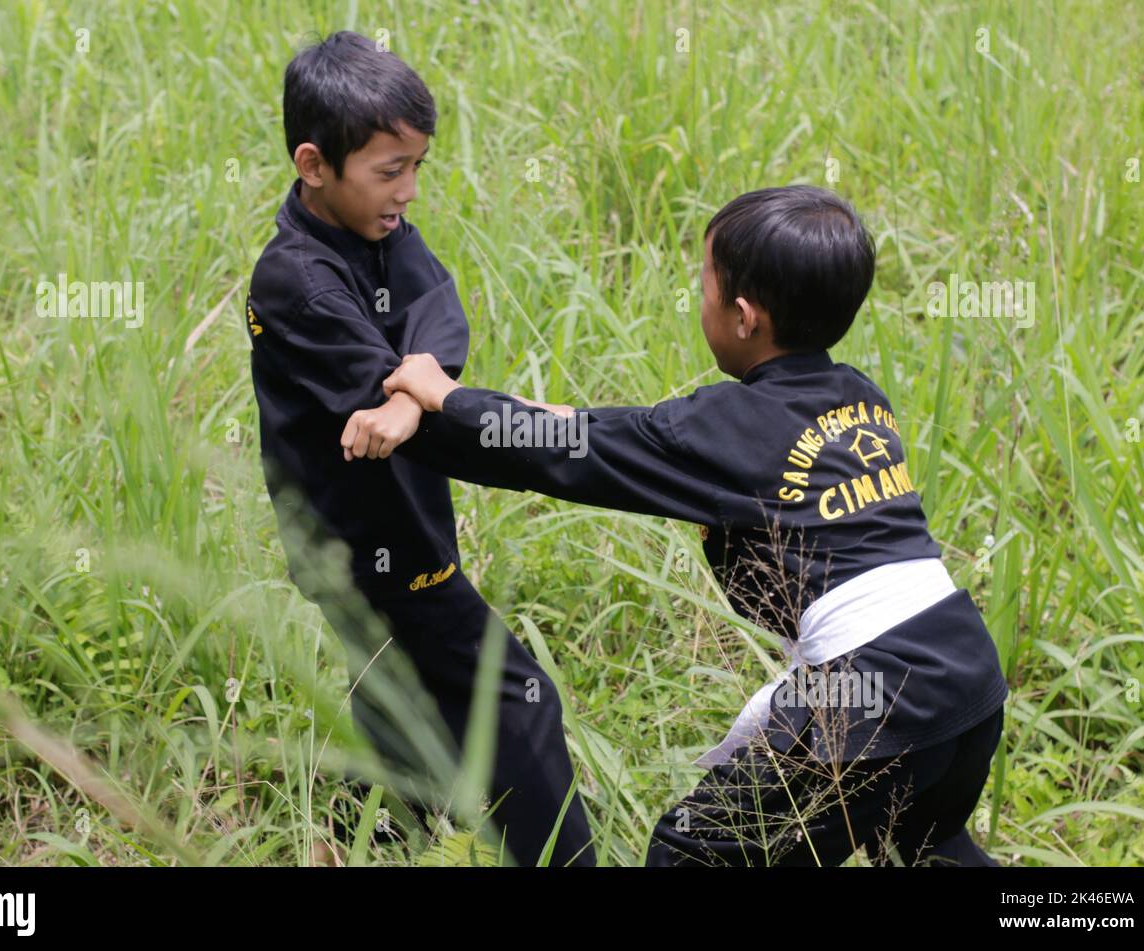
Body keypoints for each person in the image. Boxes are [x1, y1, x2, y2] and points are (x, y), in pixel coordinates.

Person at [353, 185, 1010, 866]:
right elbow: (589, 430)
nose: (701, 301)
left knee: (693, 855)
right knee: (927, 851)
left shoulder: (725, 429)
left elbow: (562, 449)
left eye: (706, 286)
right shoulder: (859, 399)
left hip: (870, 689)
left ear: (745, 318)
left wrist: (444, 397)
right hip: (964, 666)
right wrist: (468, 404)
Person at [245, 31, 594, 866]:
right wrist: (510, 420)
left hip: (394, 526)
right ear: (313, 163)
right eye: (388, 169)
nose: (407, 192)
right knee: (516, 698)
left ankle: (352, 843)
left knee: (400, 708)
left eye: (416, 168)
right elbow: (423, 404)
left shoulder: (380, 232)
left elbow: (439, 308)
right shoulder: (294, 280)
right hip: (370, 548)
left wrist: (410, 395)